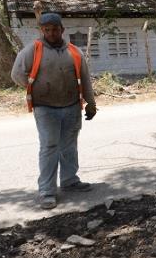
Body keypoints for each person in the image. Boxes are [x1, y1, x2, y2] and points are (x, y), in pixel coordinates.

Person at [11, 13, 97, 209]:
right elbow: (16, 73)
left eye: (54, 29)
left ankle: (69, 180)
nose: (51, 33)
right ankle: (47, 191)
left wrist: (91, 104)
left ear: (62, 30)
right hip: (45, 108)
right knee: (49, 147)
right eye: (46, 30)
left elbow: (85, 80)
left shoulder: (74, 52)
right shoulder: (33, 50)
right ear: (42, 31)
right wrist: (35, 87)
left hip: (72, 105)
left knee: (69, 145)